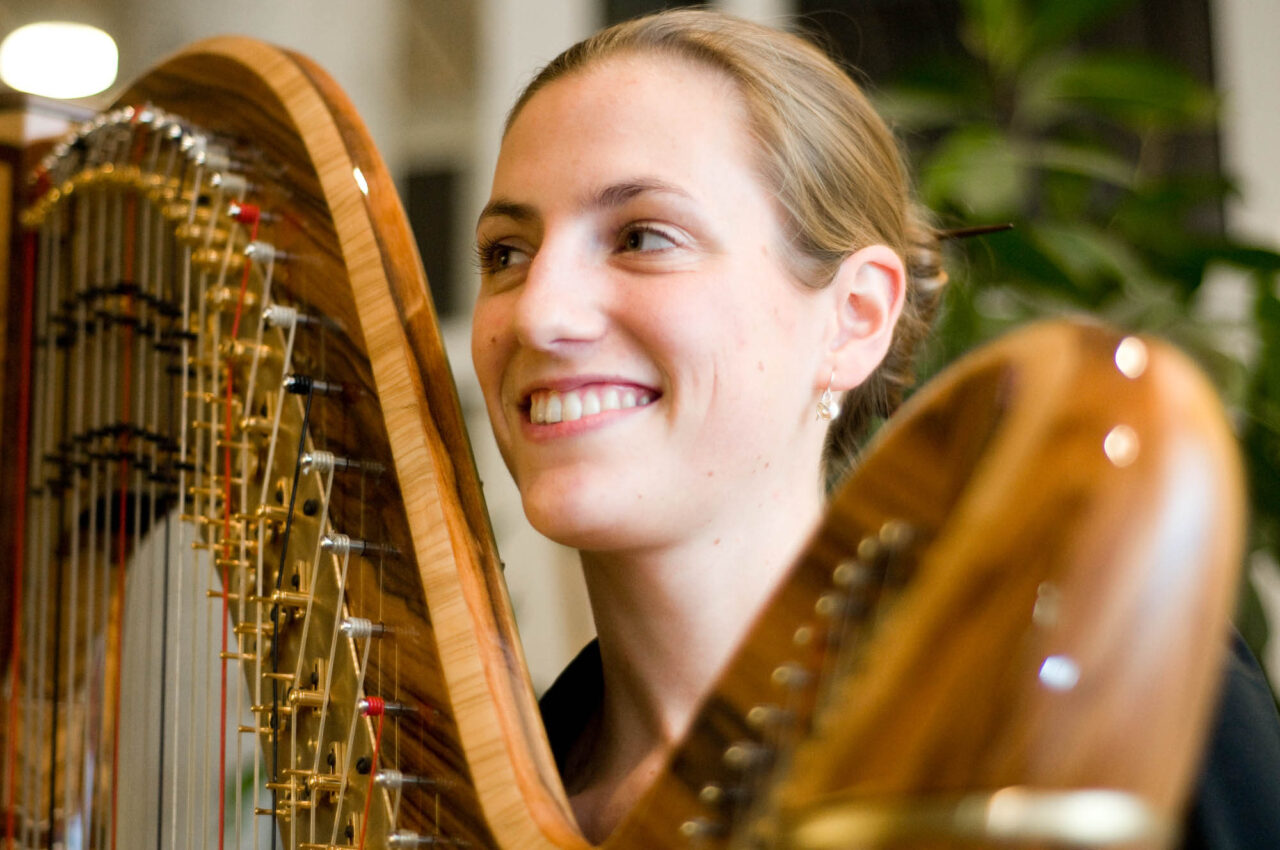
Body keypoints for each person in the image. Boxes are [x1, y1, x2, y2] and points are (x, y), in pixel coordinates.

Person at [469, 8, 1280, 847]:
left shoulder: (1110, 688)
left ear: (855, 318)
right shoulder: (481, 803)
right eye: (506, 253)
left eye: (643, 236)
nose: (540, 314)